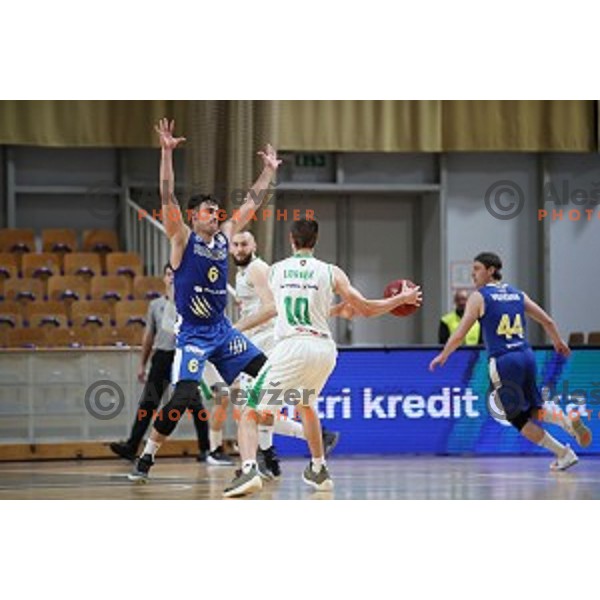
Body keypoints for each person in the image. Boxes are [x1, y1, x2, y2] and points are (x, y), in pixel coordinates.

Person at [223, 218, 422, 497]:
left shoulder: (276, 270)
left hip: (292, 347)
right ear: (315, 241)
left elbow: (275, 308)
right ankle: (318, 468)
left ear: (292, 240)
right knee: (305, 405)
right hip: (324, 350)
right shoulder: (331, 272)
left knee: (248, 409)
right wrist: (399, 301)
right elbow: (364, 308)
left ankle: (247, 471)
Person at [128, 118, 281, 482]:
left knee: (270, 376)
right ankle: (147, 454)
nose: (215, 214)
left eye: (217, 210)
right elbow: (166, 195)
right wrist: (166, 153)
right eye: (208, 210)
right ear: (194, 217)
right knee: (181, 400)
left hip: (223, 331)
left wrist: (267, 172)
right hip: (193, 335)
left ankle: (265, 446)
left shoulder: (225, 238)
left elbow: (252, 202)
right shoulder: (181, 239)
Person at [429, 251, 591, 471]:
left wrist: (443, 354)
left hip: (504, 360)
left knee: (517, 419)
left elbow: (459, 334)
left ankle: (563, 453)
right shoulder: (517, 294)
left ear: (491, 270)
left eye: (477, 269)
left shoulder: (480, 296)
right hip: (526, 356)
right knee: (534, 408)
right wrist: (558, 342)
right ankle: (566, 422)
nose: (472, 274)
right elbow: (547, 320)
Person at [229, 230, 340, 479]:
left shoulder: (257, 269)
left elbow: (272, 307)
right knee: (262, 408)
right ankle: (270, 458)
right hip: (258, 342)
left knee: (250, 408)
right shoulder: (244, 272)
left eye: (244, 243)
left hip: (267, 342)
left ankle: (265, 459)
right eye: (235, 244)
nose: (239, 249)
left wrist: (236, 328)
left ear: (254, 244)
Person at [109, 264, 209, 462]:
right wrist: (142, 364)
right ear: (164, 278)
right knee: (149, 402)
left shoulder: (190, 303)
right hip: (162, 357)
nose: (172, 278)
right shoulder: (155, 305)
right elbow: (149, 336)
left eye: (176, 275)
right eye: (169, 274)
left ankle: (206, 449)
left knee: (194, 403)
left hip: (183, 357)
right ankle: (132, 445)